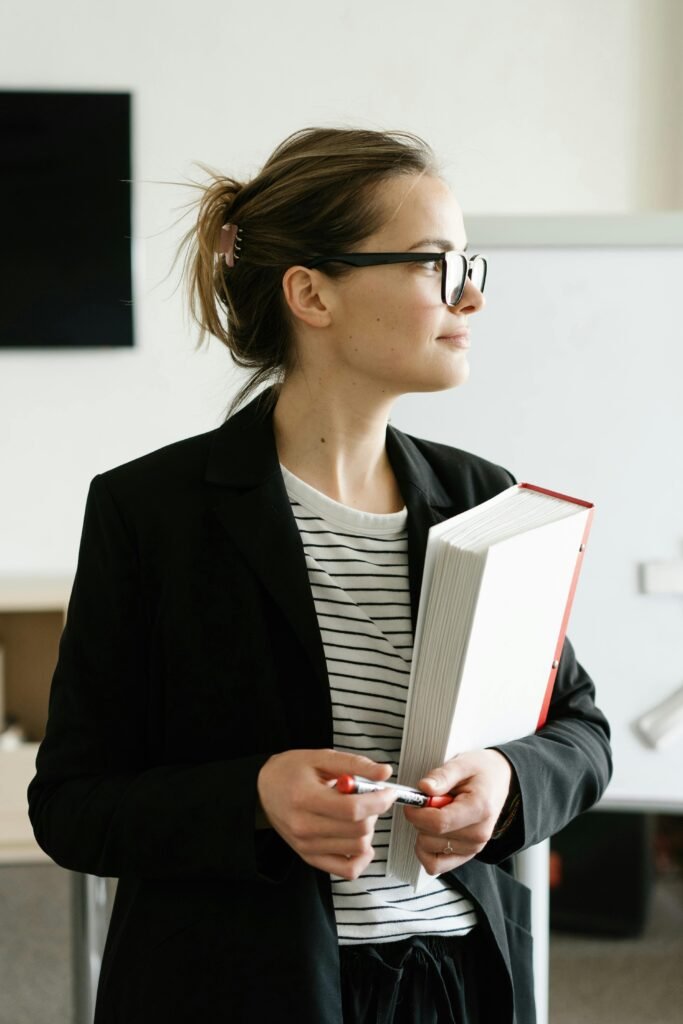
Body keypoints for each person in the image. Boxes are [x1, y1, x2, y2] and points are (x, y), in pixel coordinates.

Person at [28, 126, 612, 1024]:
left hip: (455, 981)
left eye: (469, 264)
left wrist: (505, 779)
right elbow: (73, 805)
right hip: (239, 989)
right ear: (311, 293)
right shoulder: (152, 511)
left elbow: (579, 730)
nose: (470, 296)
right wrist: (254, 796)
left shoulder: (481, 498)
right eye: (434, 263)